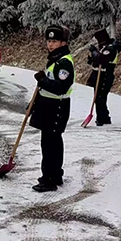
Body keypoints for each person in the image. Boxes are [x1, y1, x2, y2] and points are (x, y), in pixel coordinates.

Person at [29, 25, 75, 192]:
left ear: (63, 43)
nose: (50, 44)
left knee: (51, 145)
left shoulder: (64, 63)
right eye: (49, 41)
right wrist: (34, 104)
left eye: (54, 41)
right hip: (47, 106)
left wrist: (42, 80)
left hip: (57, 107)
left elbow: (61, 87)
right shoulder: (55, 60)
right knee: (48, 143)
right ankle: (53, 175)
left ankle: (50, 179)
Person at [86, 28, 121, 126]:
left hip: (105, 76)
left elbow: (102, 59)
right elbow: (98, 60)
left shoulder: (110, 49)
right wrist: (92, 59)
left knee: (100, 98)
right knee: (99, 97)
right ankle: (103, 117)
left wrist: (94, 52)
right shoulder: (104, 48)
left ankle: (102, 118)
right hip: (100, 75)